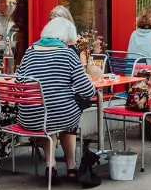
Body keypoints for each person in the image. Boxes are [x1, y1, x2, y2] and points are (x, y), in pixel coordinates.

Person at [12, 17, 97, 180]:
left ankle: (50, 165)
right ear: (66, 37)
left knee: (48, 109)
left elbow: (19, 83)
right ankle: (71, 166)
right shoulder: (67, 53)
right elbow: (86, 90)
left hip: (28, 117)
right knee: (66, 111)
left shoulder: (30, 51)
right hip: (59, 117)